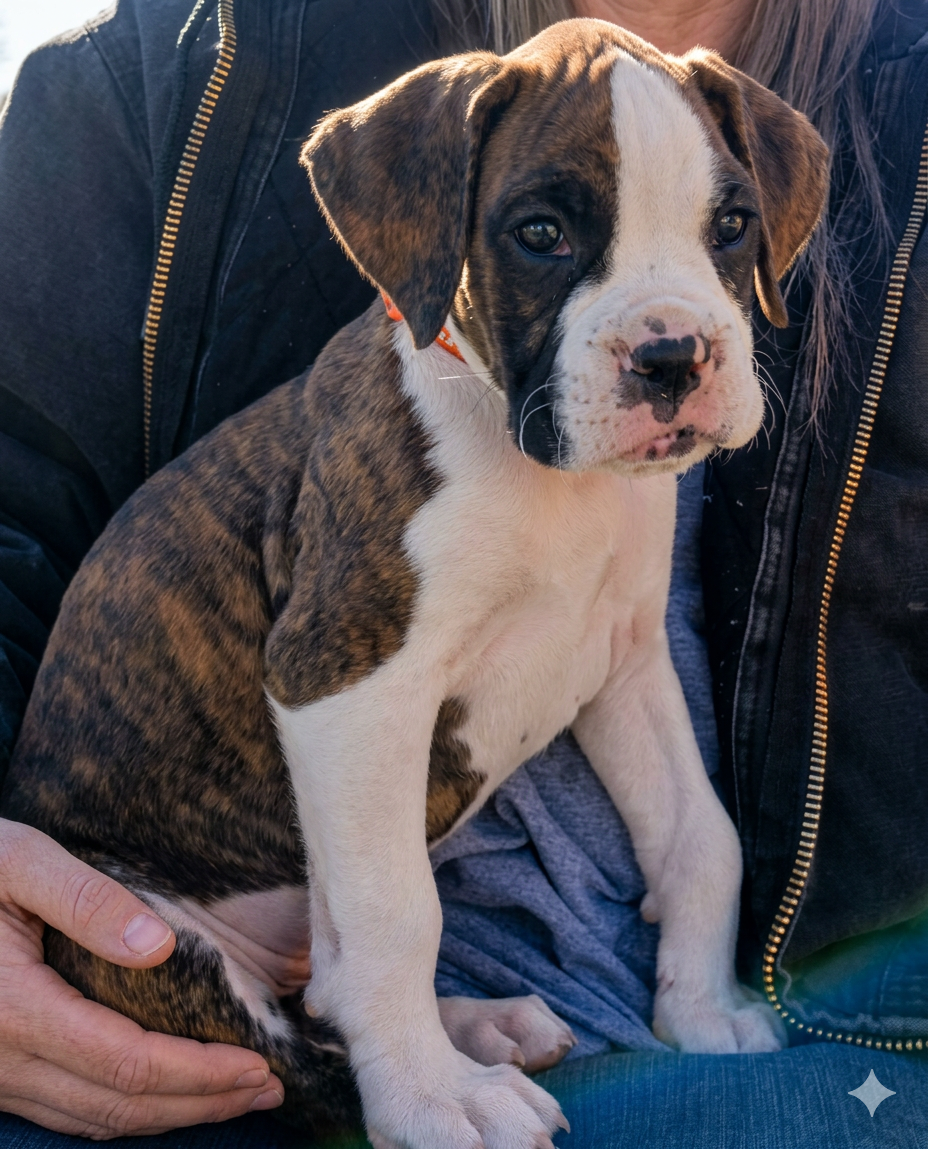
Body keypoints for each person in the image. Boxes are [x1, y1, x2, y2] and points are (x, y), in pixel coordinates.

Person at [0, 0, 925, 1145]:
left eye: (720, 230)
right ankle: (387, 1050)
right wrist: (400, 1038)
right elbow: (338, 687)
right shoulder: (410, 421)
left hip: (814, 1043)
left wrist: (702, 961)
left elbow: (620, 656)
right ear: (424, 234)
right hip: (156, 924)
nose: (670, 334)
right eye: (545, 237)